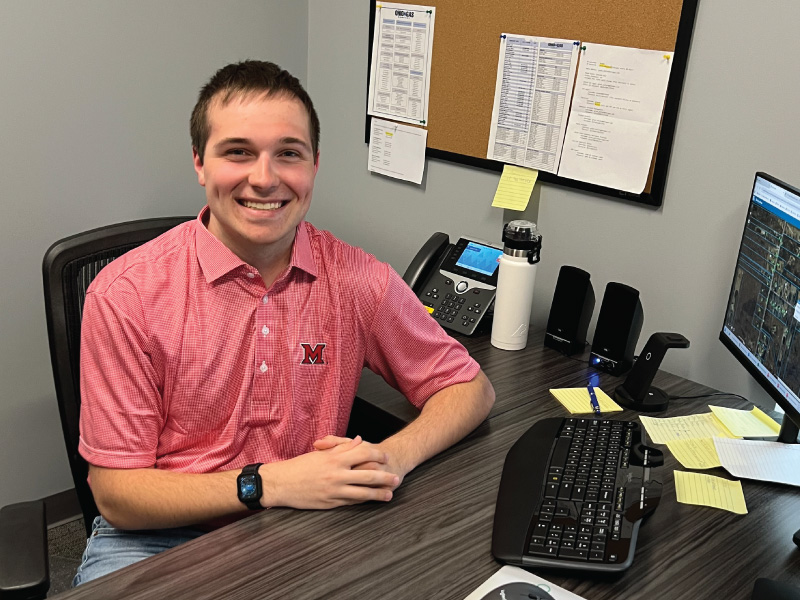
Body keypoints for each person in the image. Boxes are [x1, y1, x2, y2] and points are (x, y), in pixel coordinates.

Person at [73, 60, 495, 585]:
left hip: (302, 525)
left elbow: (468, 387)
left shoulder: (357, 280)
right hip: (158, 533)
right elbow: (117, 495)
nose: (265, 178)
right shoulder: (127, 295)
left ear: (314, 165)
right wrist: (268, 484)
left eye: (288, 154)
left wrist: (391, 456)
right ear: (200, 163)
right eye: (238, 152)